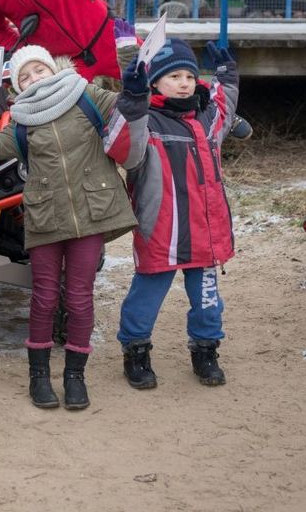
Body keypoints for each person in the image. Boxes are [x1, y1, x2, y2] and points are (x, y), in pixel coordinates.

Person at [0, 46, 137, 409]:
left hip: (90, 212)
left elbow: (127, 107)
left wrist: (132, 67)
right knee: (44, 297)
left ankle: (75, 376)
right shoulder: (22, 119)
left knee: (79, 298)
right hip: (46, 215)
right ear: (17, 87)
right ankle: (39, 376)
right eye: (24, 77)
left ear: (53, 67)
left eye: (38, 70)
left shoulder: (86, 95)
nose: (34, 79)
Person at [108, 39, 240, 390]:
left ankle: (206, 350)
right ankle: (135, 351)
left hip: (206, 231)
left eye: (189, 75)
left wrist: (228, 77)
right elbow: (123, 148)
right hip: (162, 229)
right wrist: (134, 100)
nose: (184, 82)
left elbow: (224, 111)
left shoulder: (205, 118)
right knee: (146, 297)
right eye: (174, 76)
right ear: (153, 83)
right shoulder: (145, 122)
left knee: (208, 301)